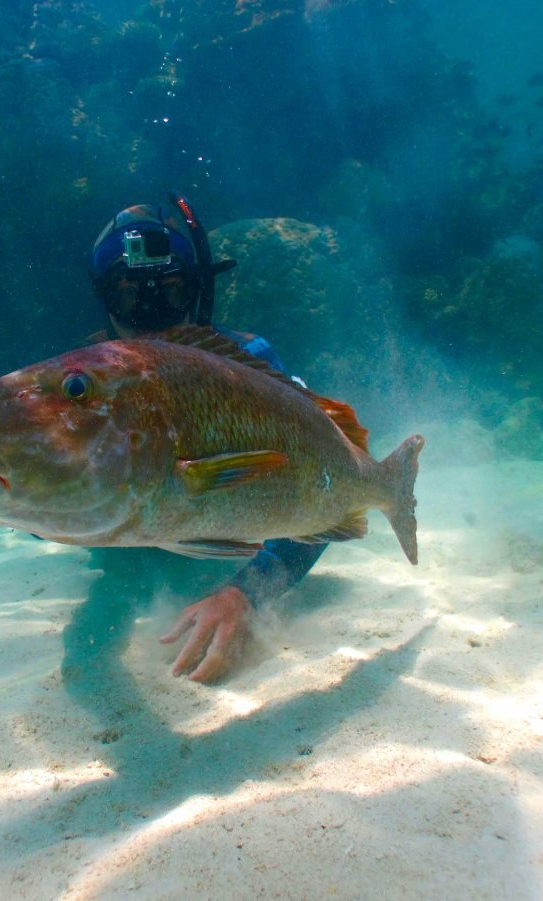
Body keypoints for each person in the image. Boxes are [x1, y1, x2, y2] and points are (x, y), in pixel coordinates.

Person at [79, 193, 327, 683]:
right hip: (124, 564)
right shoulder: (86, 384)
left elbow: (323, 486)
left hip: (221, 562)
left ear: (195, 291)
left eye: (168, 291)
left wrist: (244, 594)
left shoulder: (249, 364)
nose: (149, 315)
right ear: (104, 299)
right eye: (130, 295)